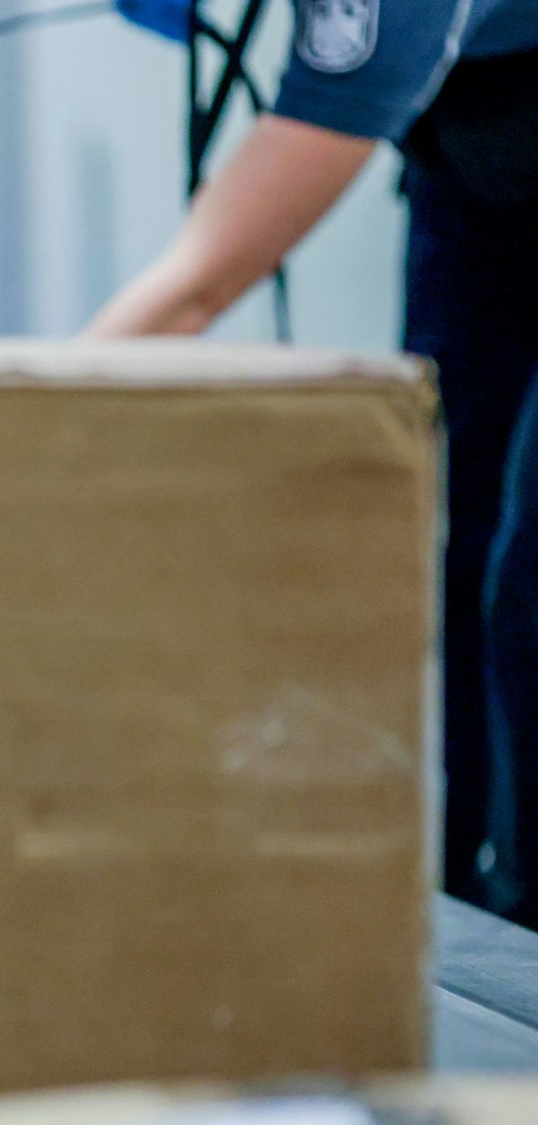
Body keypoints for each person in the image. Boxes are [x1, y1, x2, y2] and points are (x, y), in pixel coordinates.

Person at [88, 0, 538, 924]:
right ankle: (439, 900)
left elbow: (197, 285)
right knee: (438, 536)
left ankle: (527, 922)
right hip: (479, 146)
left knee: (528, 585)